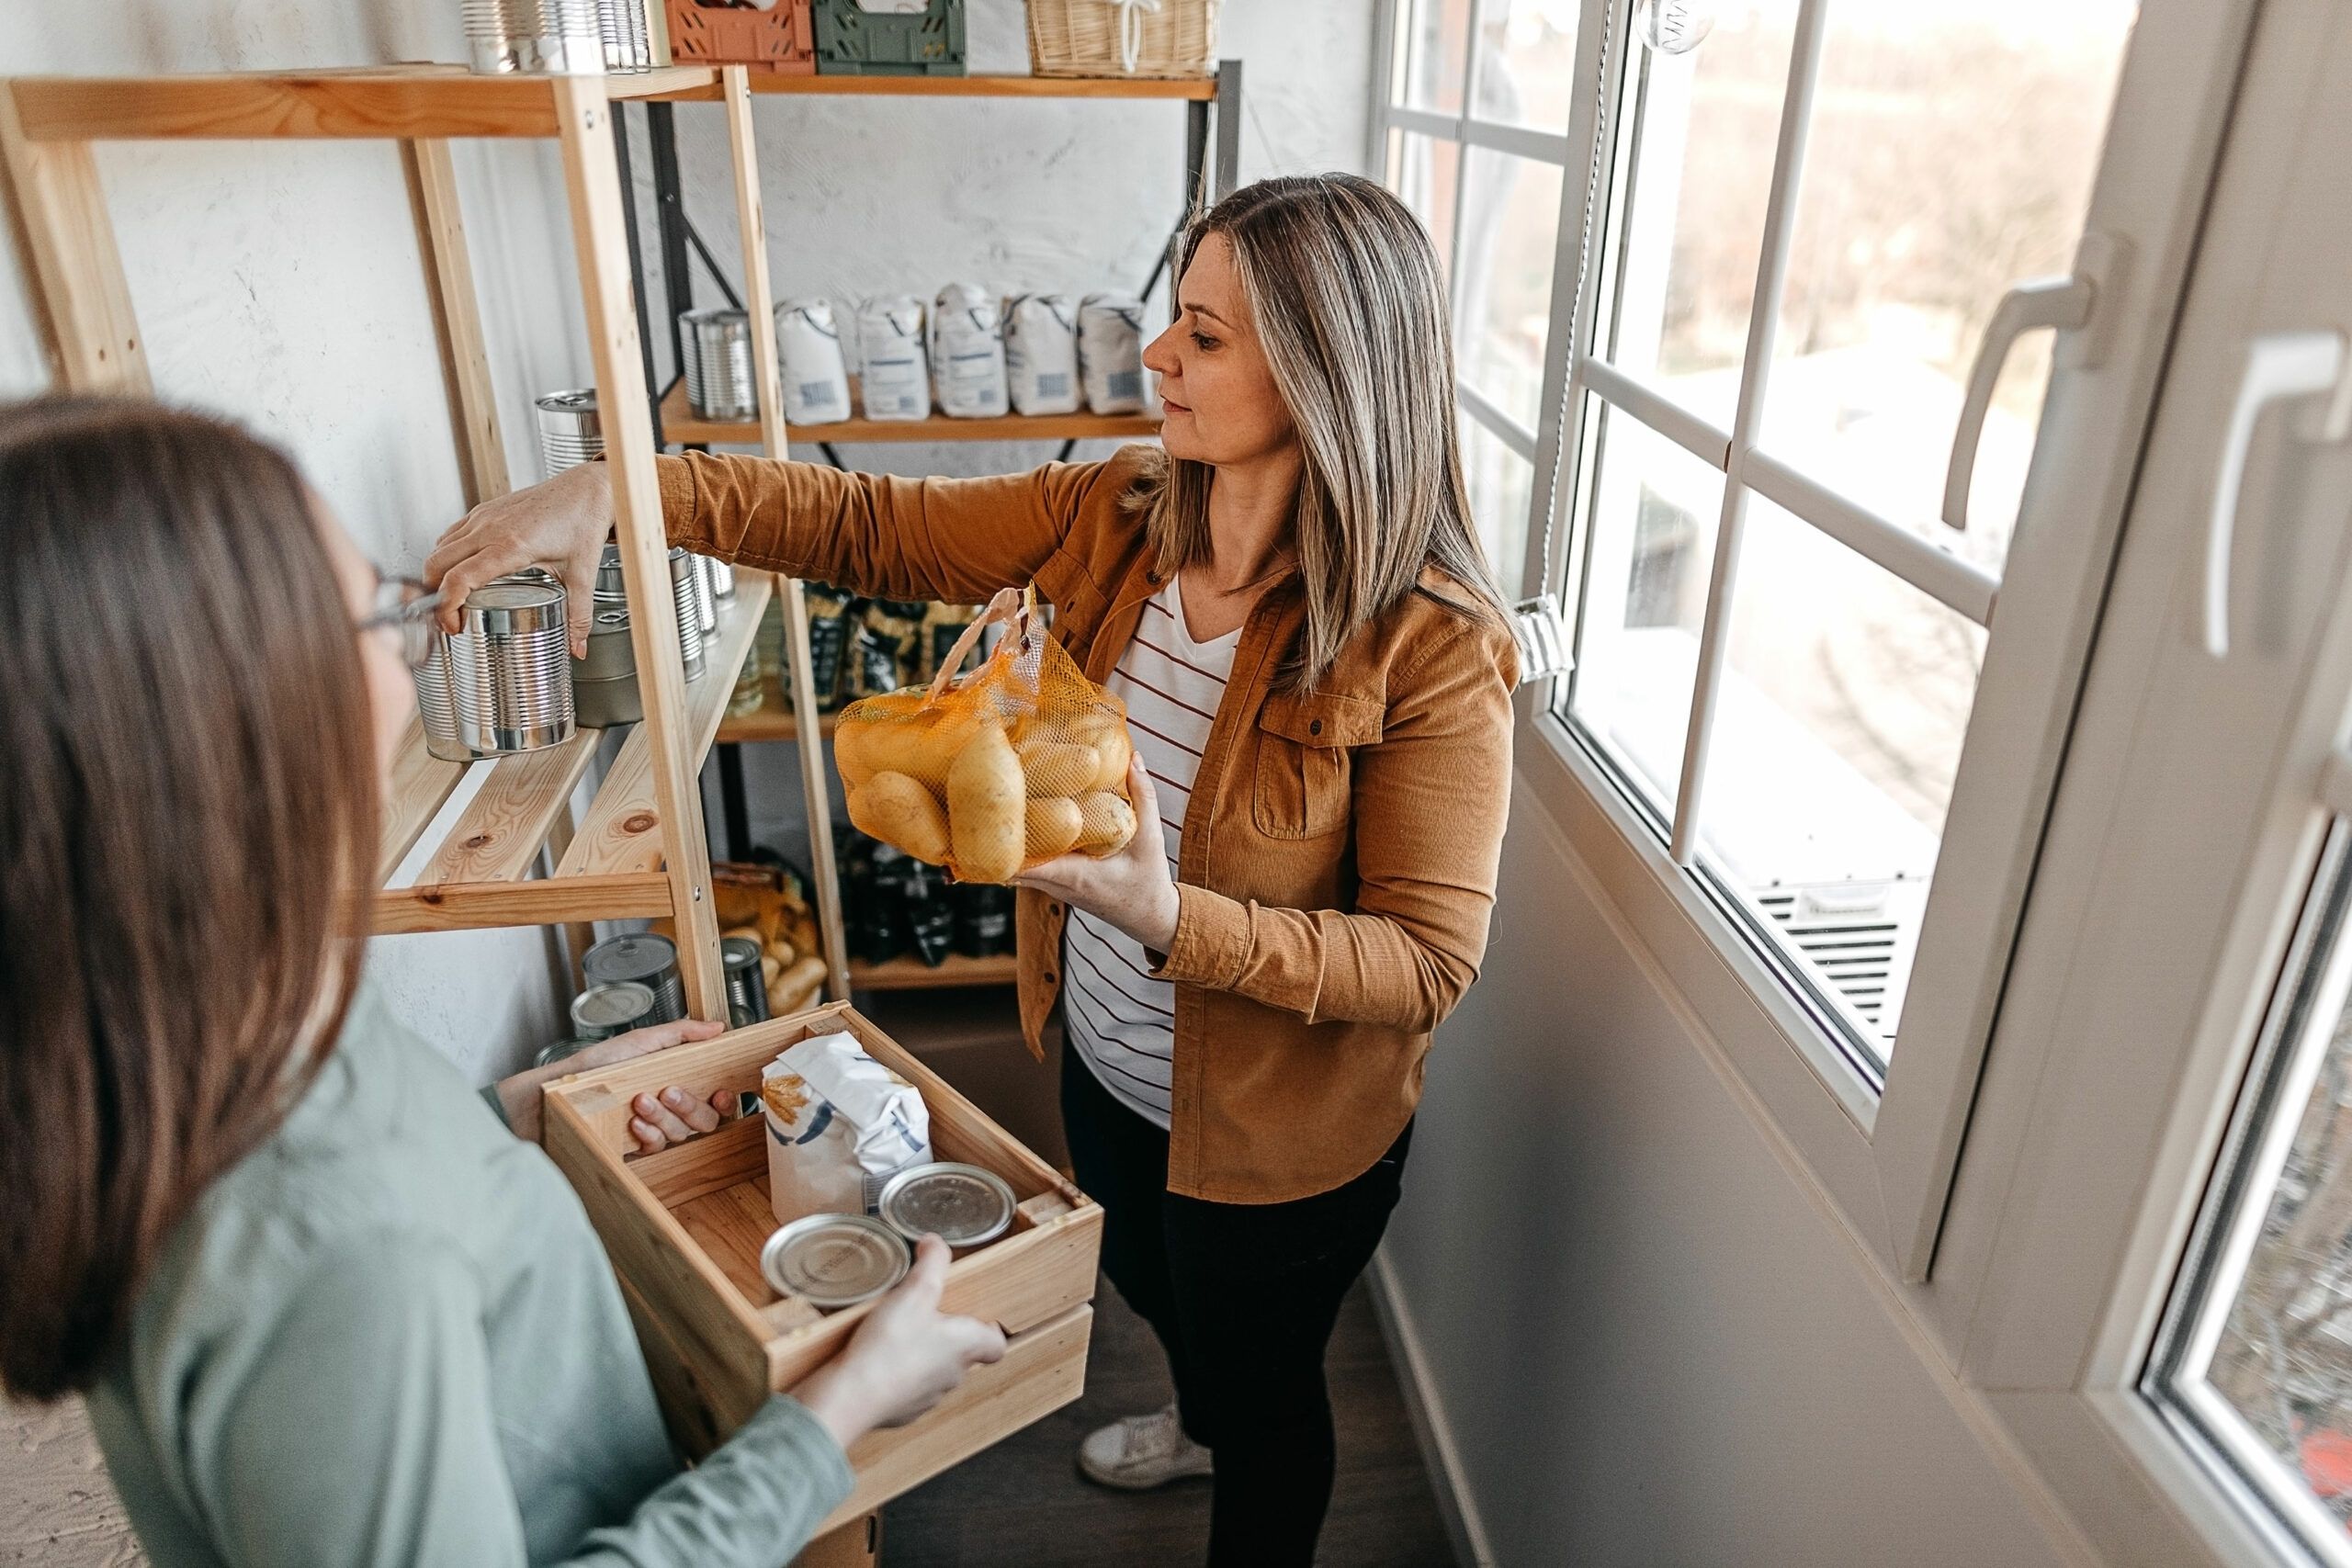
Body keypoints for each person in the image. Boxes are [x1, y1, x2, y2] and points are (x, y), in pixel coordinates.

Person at [429, 172, 1518, 1566]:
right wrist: (619, 491)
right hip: (1102, 1056)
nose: (1157, 355)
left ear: (1323, 375)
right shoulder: (1115, 512)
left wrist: (1166, 912)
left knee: (1270, 1391)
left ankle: (1228, 1443)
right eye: (1172, 319)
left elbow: (1426, 961)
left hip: (1280, 1145)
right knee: (1143, 1276)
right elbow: (864, 525)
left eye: (1206, 335)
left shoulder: (1431, 647)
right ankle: (1192, 1414)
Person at [0, 398, 1007, 1568]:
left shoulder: (199, 1015)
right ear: (242, 724)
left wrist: (521, 1120)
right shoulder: (337, 1252)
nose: (419, 644)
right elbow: (340, 1245)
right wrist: (832, 1416)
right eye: (379, 615)